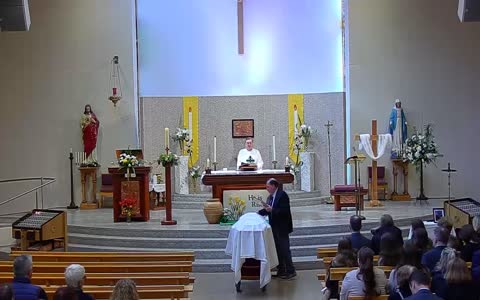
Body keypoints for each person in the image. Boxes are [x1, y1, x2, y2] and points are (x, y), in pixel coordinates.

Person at [258, 178, 295, 279]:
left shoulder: (282, 195)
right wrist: (258, 213)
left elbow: (284, 211)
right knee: (278, 250)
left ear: (274, 186)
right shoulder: (270, 197)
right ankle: (281, 270)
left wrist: (272, 209)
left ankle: (291, 271)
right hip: (274, 227)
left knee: (284, 249)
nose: (267, 189)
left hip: (282, 227)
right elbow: (269, 210)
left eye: (268, 187)